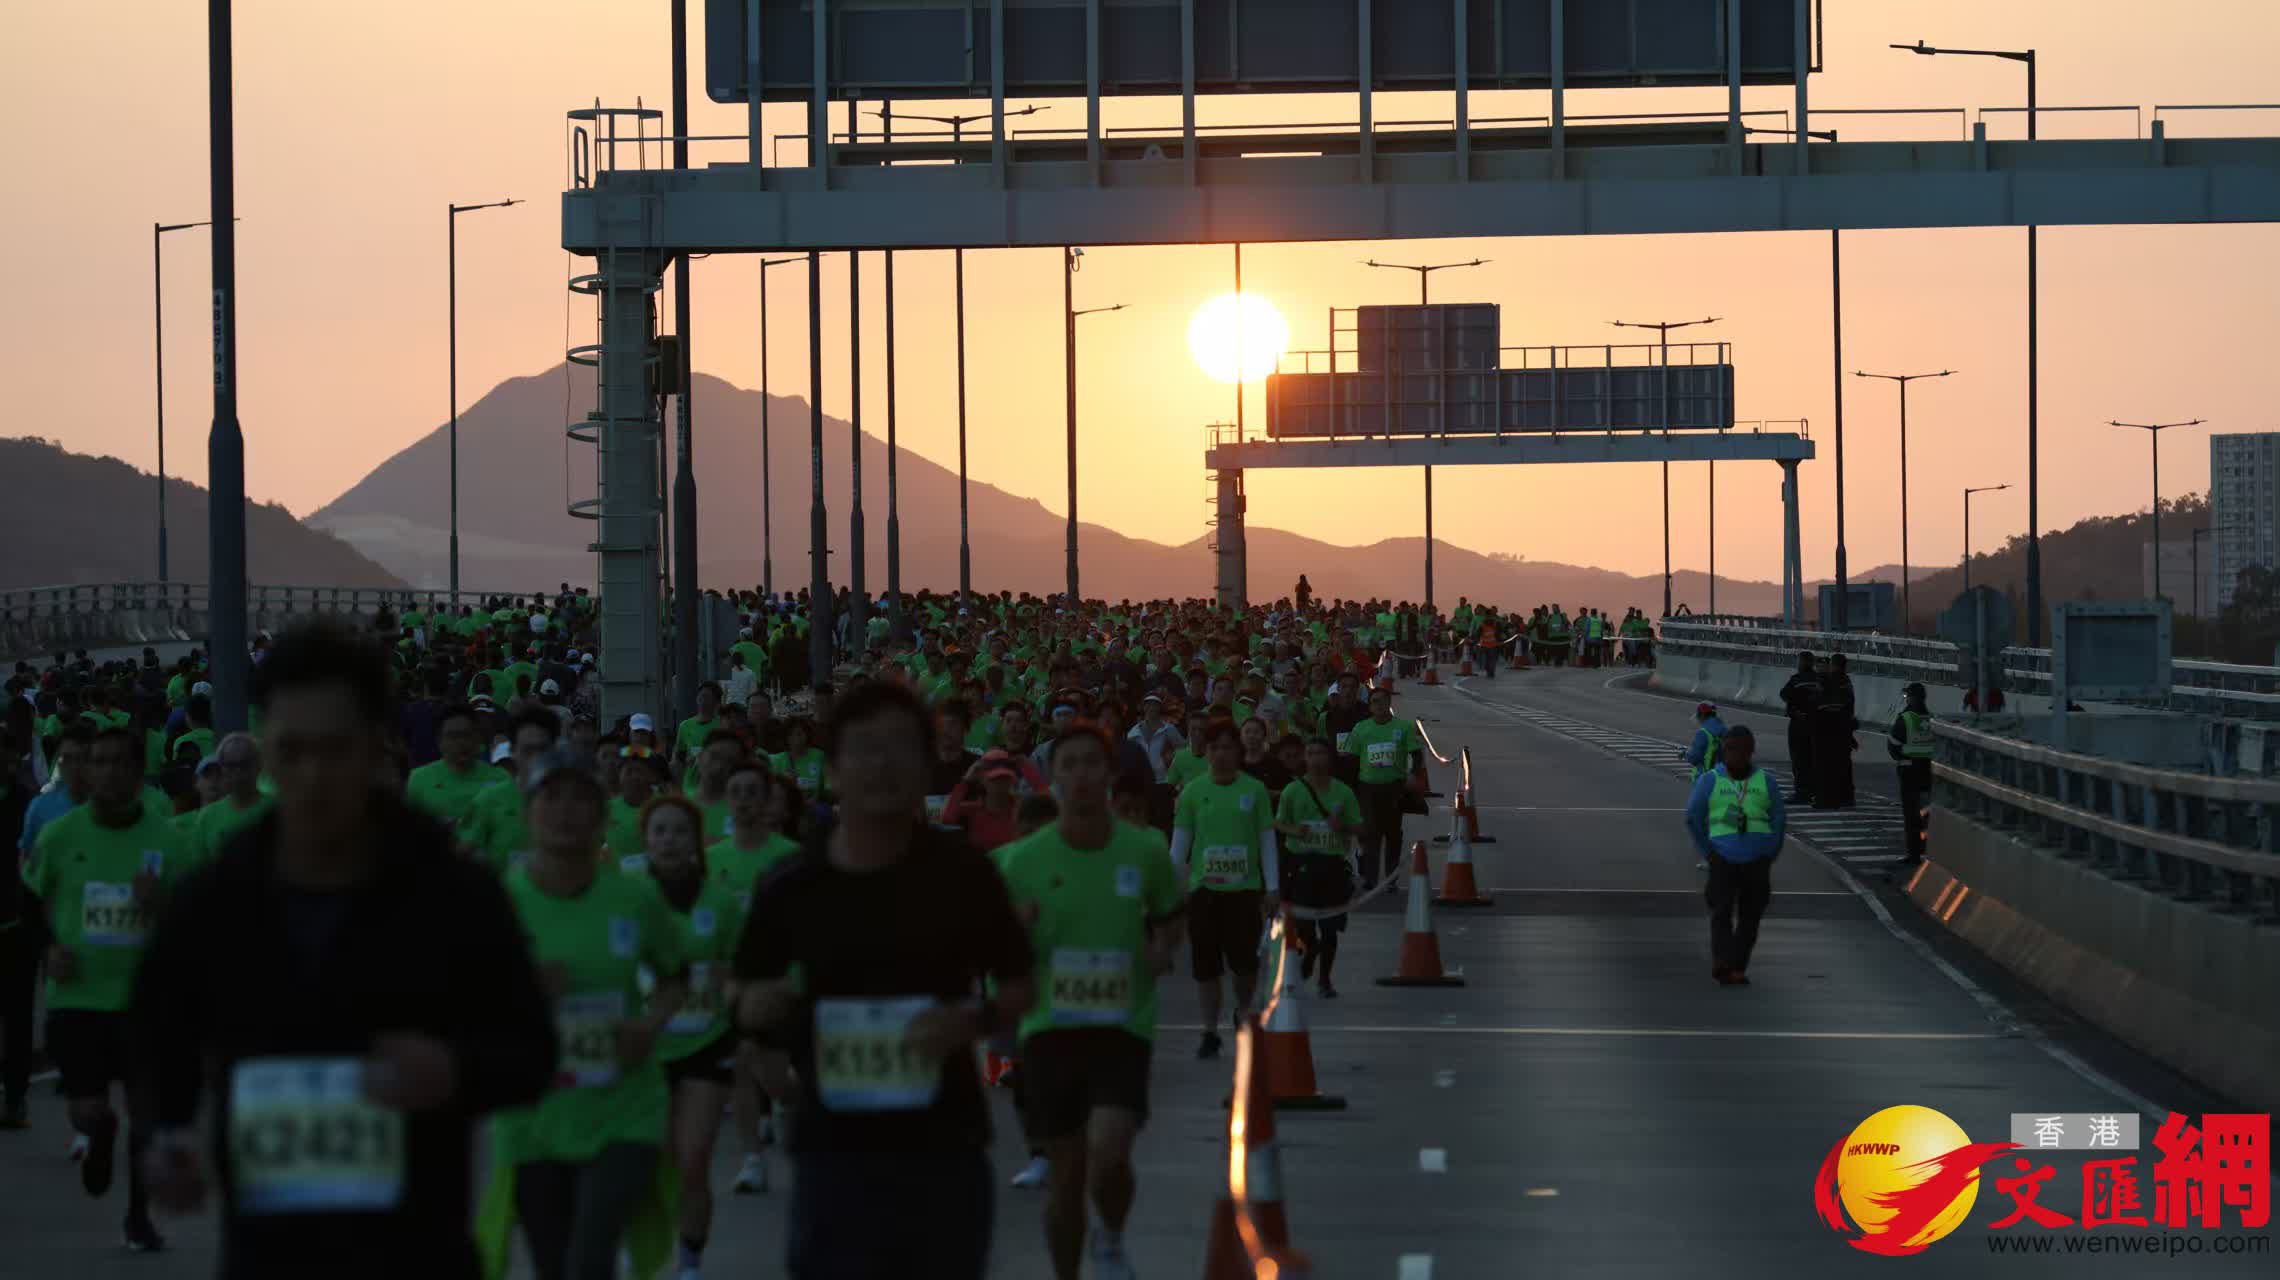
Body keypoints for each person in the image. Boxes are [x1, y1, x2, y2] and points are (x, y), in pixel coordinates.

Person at [132, 618, 559, 1279]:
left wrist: (454, 1070)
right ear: (266, 752)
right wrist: (170, 1135)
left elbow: (531, 1049)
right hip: (267, 1255)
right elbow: (162, 1030)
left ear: (376, 749)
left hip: (416, 1251)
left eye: (334, 750)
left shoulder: (453, 895)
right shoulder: (216, 902)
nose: (312, 775)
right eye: (291, 750)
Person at [732, 681, 1035, 1280]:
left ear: (926, 765)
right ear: (834, 769)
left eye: (900, 748)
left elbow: (1021, 984)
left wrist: (970, 1022)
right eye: (864, 749)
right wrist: (764, 1014)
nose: (881, 765)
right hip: (832, 1153)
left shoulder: (963, 874)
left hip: (942, 1147)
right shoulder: (791, 885)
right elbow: (743, 995)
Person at [484, 747, 690, 1280]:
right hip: (536, 1117)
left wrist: (648, 1025)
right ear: (528, 814)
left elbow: (676, 976)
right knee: (553, 1264)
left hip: (623, 1105)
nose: (567, 811)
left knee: (589, 1258)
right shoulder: (497, 905)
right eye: (552, 798)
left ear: (602, 817)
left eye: (582, 798)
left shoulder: (634, 899)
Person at [995, 722, 1184, 1280]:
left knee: (1109, 1152)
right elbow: (991, 944)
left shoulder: (1144, 849)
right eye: (1068, 766)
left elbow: (1172, 917)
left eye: (1090, 765)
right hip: (1050, 1027)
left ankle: (1111, 1238)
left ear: (1107, 775)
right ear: (1051, 780)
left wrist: (1159, 949)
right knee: (1068, 1173)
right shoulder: (1021, 861)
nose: (1080, 776)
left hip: (1124, 1022)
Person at [23, 726, 187, 1251]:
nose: (109, 771)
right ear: (85, 771)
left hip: (146, 1002)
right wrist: (48, 948)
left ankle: (139, 1216)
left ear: (140, 775)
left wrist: (161, 905)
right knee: (87, 1110)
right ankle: (98, 1135)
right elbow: (30, 905)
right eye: (99, 761)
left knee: (147, 1114)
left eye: (120, 762)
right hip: (79, 1002)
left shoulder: (170, 841)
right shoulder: (61, 836)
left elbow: (200, 924)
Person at [638, 795, 746, 1280]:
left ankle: (690, 1262)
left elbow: (745, 973)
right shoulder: (627, 898)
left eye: (679, 831)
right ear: (645, 840)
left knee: (694, 1159)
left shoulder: (720, 902)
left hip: (707, 1042)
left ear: (696, 841)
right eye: (659, 831)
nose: (669, 840)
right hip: (645, 1051)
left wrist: (729, 978)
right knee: (652, 1161)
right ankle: (642, 1248)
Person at [1169, 719, 1278, 1060]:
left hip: (1245, 893)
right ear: (1207, 753)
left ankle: (1243, 1013)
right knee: (1206, 968)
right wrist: (1170, 889)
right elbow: (1179, 846)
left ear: (1238, 752)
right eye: (1214, 748)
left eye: (1227, 747)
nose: (1220, 754)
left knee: (1245, 967)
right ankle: (1209, 1031)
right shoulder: (1192, 792)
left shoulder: (1254, 790)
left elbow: (1266, 841)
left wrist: (1272, 887)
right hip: (1204, 894)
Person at [1683, 725, 1785, 986]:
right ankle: (1722, 961)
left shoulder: (1767, 782)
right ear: (1723, 751)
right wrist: (1709, 852)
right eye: (1730, 750)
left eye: (1741, 750)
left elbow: (1779, 820)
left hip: (1757, 861)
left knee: (1751, 917)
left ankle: (1737, 966)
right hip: (1722, 859)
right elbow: (1692, 817)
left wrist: (1769, 852)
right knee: (1721, 912)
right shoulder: (1710, 781)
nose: (1736, 755)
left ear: (1751, 752)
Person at [1275, 737, 1364, 998]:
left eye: (1320, 753)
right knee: (1302, 924)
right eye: (1310, 753)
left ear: (1329, 757)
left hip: (1332, 866)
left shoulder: (1343, 792)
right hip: (1301, 864)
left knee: (1329, 927)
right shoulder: (1293, 791)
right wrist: (1295, 830)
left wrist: (1343, 828)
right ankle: (1309, 950)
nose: (1315, 758)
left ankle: (1325, 979)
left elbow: (1361, 827)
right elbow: (1278, 823)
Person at [1344, 685, 1423, 887]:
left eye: (1382, 700)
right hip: (1368, 788)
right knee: (1371, 834)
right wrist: (1351, 788)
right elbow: (1352, 760)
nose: (1378, 705)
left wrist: (1413, 775)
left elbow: (1416, 754)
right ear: (1369, 707)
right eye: (1374, 701)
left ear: (1389, 704)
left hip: (1394, 787)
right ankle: (1370, 879)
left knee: (1393, 833)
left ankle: (1390, 878)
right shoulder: (1361, 728)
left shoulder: (1403, 727)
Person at [406, 704, 494, 828]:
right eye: (453, 736)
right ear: (439, 741)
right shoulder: (417, 780)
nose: (461, 742)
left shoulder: (500, 779)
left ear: (478, 738)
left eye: (467, 735)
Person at [1887, 682, 1936, 867]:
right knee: (1927, 813)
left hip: (1909, 771)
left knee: (1911, 815)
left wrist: (1903, 755)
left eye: (1907, 696)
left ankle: (1914, 854)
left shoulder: (1906, 717)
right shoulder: (1930, 718)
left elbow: (1893, 743)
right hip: (1928, 771)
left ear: (1912, 697)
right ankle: (1928, 851)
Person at [1811, 654, 1858, 810]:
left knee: (1825, 765)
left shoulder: (1827, 681)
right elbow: (1849, 707)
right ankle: (1846, 797)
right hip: (1843, 727)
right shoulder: (1847, 682)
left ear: (1834, 665)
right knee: (1844, 764)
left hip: (1827, 728)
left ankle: (1826, 799)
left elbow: (1818, 704)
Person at [1778, 652, 1819, 805]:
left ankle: (1802, 793)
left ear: (1802, 663)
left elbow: (1784, 694)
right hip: (1816, 724)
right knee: (1814, 757)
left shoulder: (1796, 680)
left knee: (1799, 759)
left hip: (1799, 723)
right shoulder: (1819, 679)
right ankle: (1815, 790)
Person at [1683, 703, 1728, 785]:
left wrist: (1686, 754)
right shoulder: (1725, 730)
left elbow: (1694, 758)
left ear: (1702, 715)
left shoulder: (1703, 733)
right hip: (1723, 777)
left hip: (1705, 777)